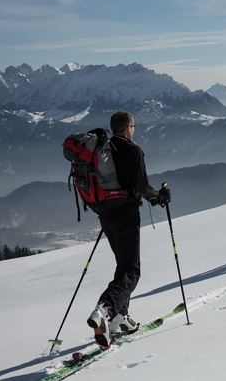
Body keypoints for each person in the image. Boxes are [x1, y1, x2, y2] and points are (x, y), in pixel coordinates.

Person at [87, 111, 171, 349]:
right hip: (125, 214)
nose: (135, 129)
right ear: (127, 128)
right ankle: (106, 308)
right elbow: (141, 185)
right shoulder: (133, 151)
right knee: (131, 271)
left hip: (105, 215)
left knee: (123, 266)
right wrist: (159, 197)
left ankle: (119, 319)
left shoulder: (104, 150)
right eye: (133, 126)